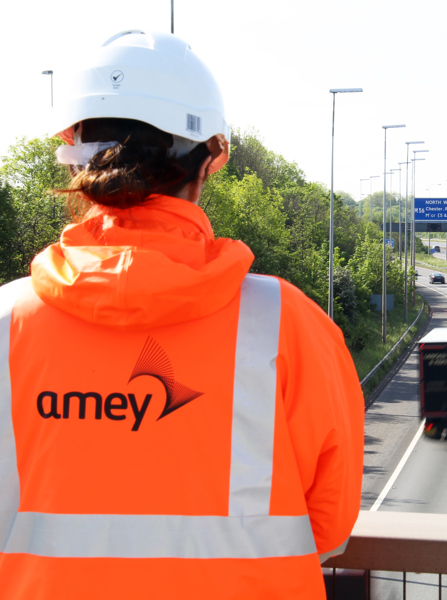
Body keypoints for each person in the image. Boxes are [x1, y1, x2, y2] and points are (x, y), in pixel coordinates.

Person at [0, 30, 364, 599]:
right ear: (211, 158)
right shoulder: (287, 324)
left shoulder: (5, 325)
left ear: (71, 146)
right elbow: (329, 523)